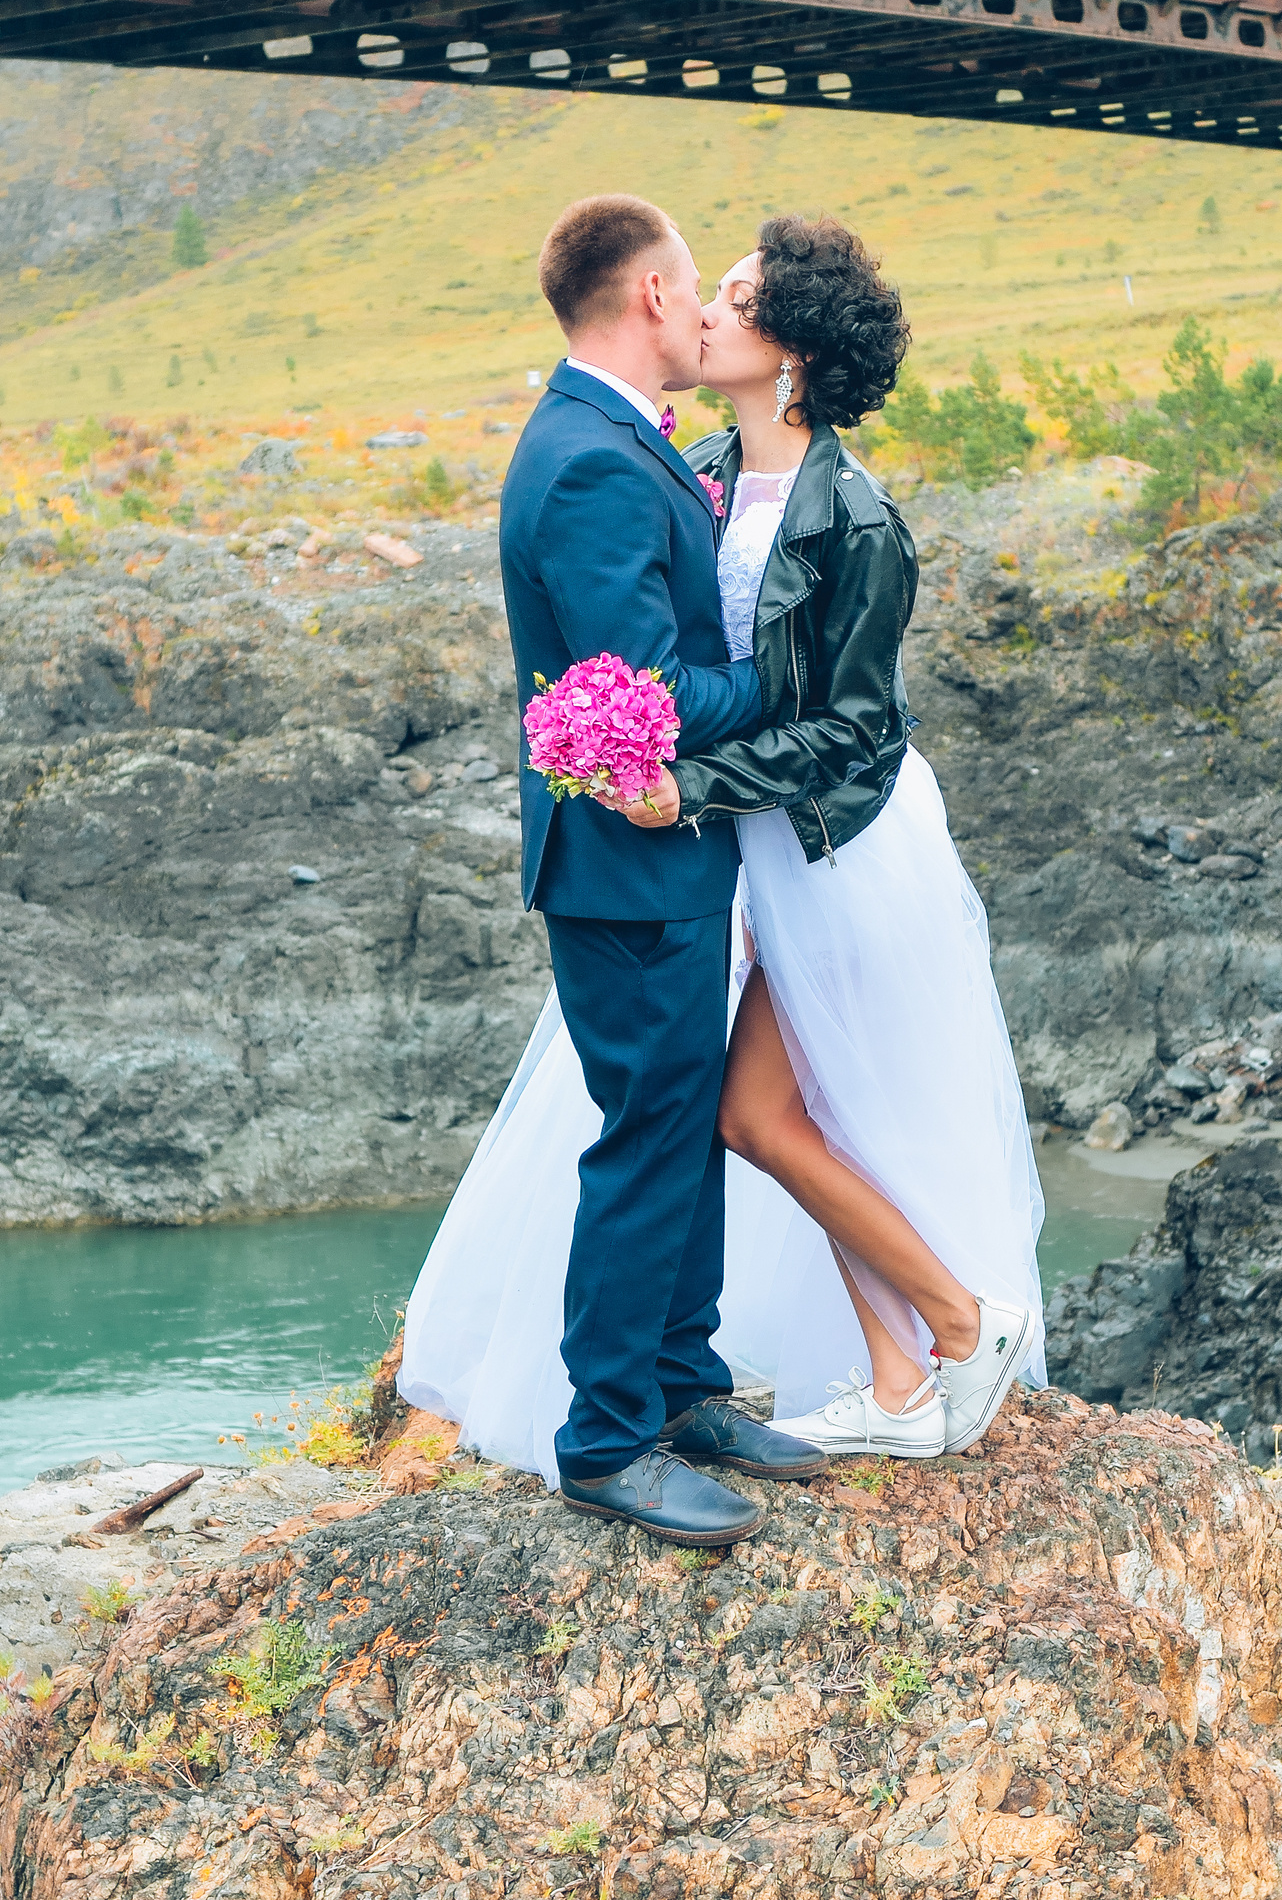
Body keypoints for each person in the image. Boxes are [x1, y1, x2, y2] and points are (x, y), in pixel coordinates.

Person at [403, 211, 1044, 1493]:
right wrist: (709, 746)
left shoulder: (849, 515)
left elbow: (856, 723)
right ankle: (743, 1399)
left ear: (790, 351)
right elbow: (638, 659)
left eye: (737, 299)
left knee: (778, 1108)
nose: (706, 311)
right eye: (705, 287)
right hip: (717, 842)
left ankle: (913, 1349)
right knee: (719, 1117)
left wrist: (701, 764)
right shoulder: (672, 459)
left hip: (826, 838)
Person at [452, 192, 830, 1554]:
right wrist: (789, 686)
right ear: (650, 299)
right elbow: (648, 693)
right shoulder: (597, 460)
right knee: (646, 1138)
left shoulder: (614, 439)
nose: (702, 312)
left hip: (662, 853)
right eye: (689, 288)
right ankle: (608, 1438)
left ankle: (685, 1383)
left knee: (679, 1123)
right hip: (627, 860)